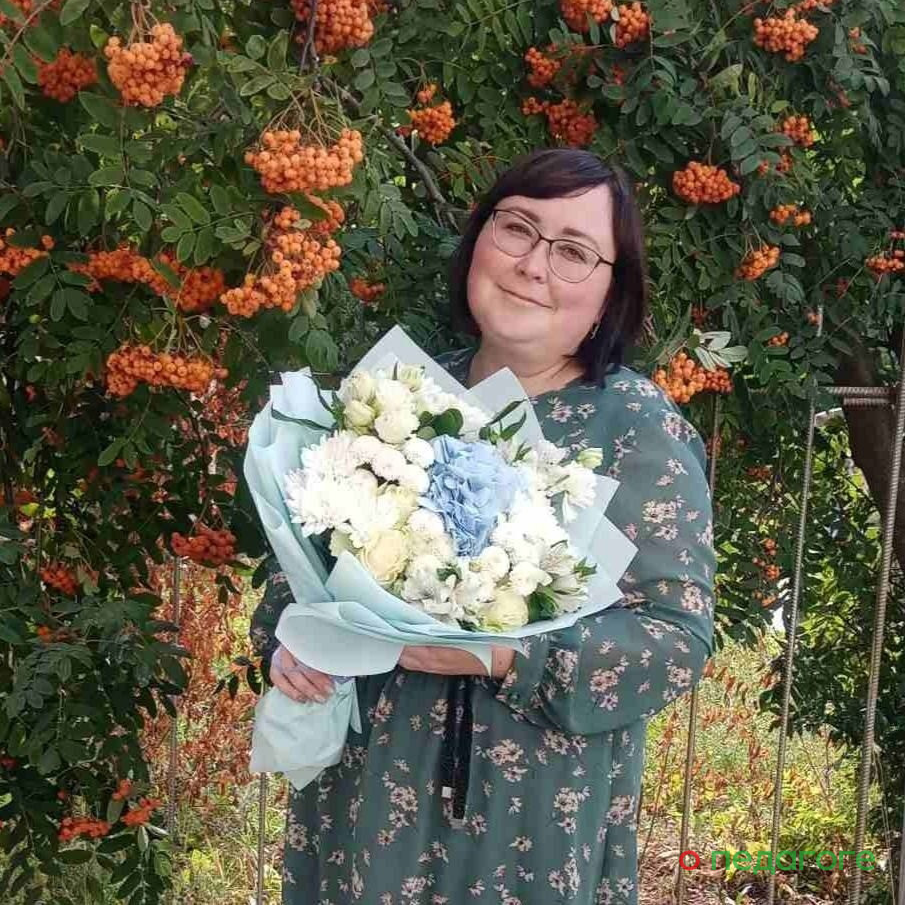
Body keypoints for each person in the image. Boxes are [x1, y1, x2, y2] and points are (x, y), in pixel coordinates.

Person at [250, 148, 715, 905]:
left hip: (521, 820)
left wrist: (503, 656)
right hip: (364, 797)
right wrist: (289, 645)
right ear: (478, 243)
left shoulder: (632, 428)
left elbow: (673, 639)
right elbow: (299, 566)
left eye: (573, 251)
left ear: (609, 294)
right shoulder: (399, 401)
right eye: (518, 228)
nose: (534, 265)